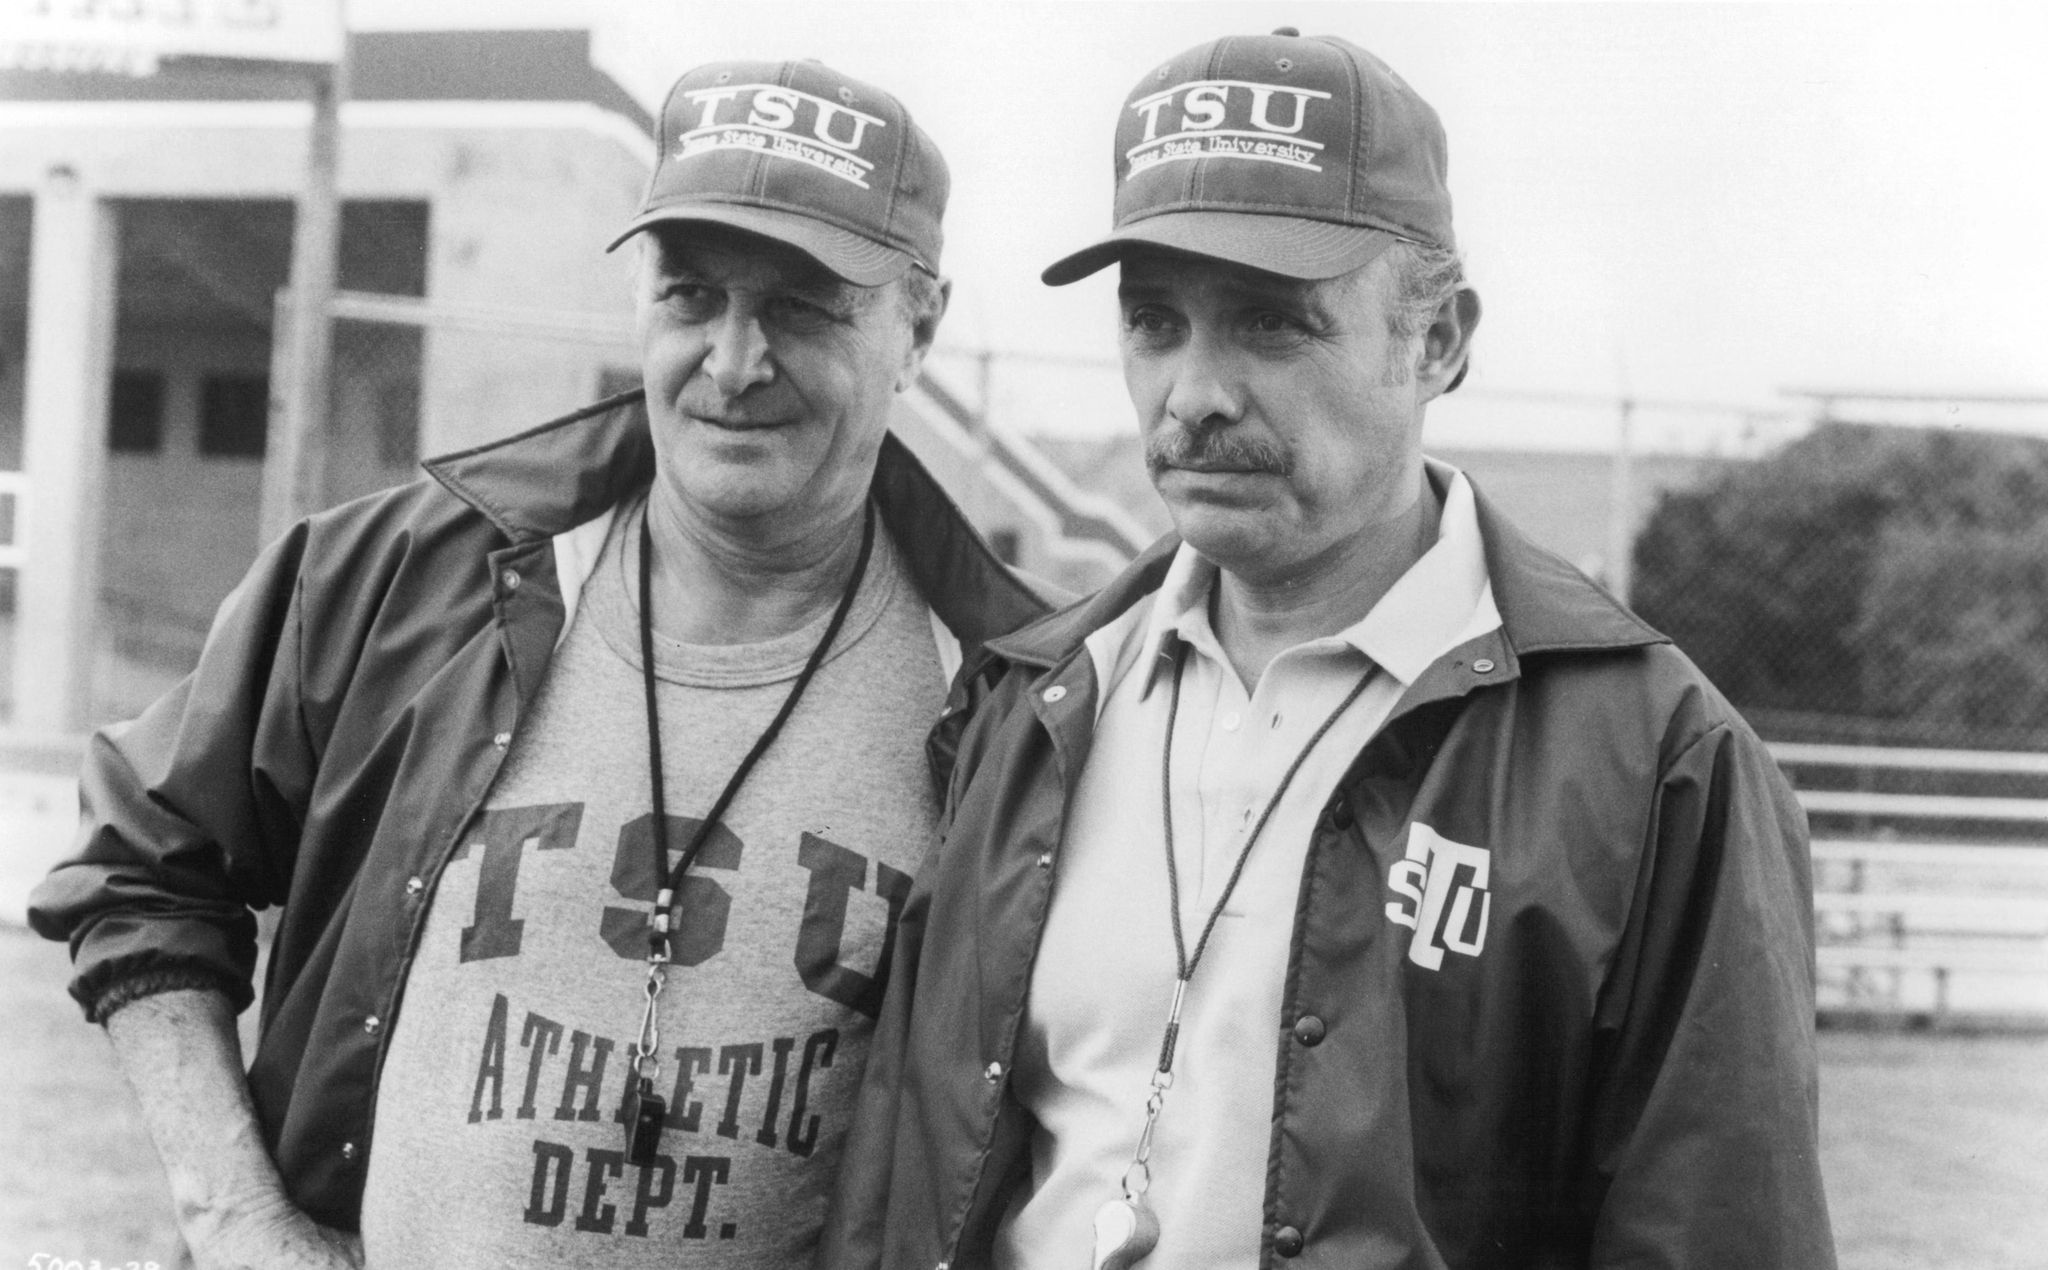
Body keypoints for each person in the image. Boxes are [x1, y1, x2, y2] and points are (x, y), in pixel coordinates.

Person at [824, 29, 1835, 1270]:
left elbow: (1725, 1232)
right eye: (1154, 323)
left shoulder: (1656, 763)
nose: (1192, 392)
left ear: (1438, 341)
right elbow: (907, 1179)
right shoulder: (1034, 701)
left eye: (1268, 324)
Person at [30, 58, 1053, 1269]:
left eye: (802, 304)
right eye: (691, 297)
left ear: (918, 324)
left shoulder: (1014, 698)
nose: (732, 361)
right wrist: (240, 1220)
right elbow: (141, 869)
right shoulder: (401, 584)